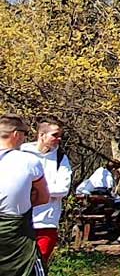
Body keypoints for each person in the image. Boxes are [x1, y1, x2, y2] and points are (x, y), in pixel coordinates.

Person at [0, 114, 49, 276]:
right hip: (17, 238)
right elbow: (43, 197)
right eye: (25, 133)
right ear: (16, 134)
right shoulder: (28, 161)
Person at [22, 117, 72, 268]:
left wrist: (35, 189)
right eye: (54, 135)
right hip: (21, 221)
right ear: (41, 135)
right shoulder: (22, 153)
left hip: (47, 222)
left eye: (60, 135)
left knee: (39, 265)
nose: (59, 139)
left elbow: (63, 188)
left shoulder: (60, 158)